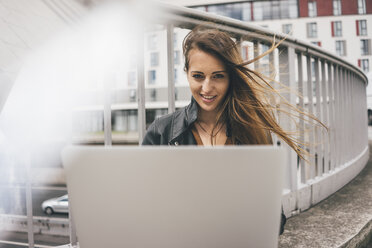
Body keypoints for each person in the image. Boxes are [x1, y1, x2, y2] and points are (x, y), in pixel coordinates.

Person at [142, 27, 320, 234]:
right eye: (198, 76)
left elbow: (275, 220)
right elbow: (142, 206)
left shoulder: (253, 131)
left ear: (231, 78)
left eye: (217, 76)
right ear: (186, 74)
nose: (206, 88)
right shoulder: (161, 131)